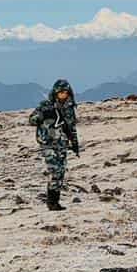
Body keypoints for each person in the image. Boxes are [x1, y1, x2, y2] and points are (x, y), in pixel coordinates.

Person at [30, 79, 80, 211]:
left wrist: (75, 143)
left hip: (62, 144)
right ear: (56, 92)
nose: (64, 94)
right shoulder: (46, 105)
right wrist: (43, 115)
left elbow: (72, 127)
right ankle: (51, 202)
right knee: (55, 170)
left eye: (66, 92)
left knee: (61, 172)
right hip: (47, 143)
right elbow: (32, 120)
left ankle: (55, 201)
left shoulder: (69, 108)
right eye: (61, 92)